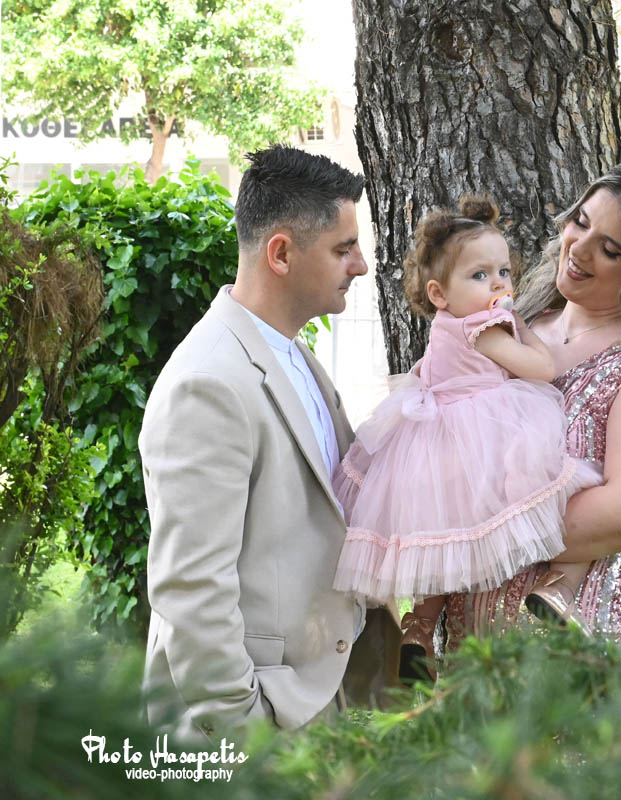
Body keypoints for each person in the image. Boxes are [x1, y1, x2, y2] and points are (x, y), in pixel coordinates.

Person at [141, 145, 372, 739]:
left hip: (310, 705)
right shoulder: (207, 384)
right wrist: (247, 730)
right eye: (343, 249)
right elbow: (192, 589)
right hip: (249, 731)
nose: (362, 265)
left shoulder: (291, 353)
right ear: (281, 254)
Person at [444, 157, 621, 645]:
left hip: (581, 655)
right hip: (471, 650)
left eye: (610, 249)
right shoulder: (512, 326)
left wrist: (475, 530)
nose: (579, 249)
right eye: (581, 222)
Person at [331, 196, 602, 683]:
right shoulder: (485, 329)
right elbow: (542, 369)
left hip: (433, 447)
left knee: (442, 541)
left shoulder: (446, 327)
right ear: (439, 293)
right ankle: (558, 587)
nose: (499, 284)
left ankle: (418, 629)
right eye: (480, 275)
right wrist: (523, 328)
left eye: (503, 272)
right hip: (484, 438)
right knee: (566, 489)